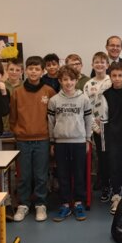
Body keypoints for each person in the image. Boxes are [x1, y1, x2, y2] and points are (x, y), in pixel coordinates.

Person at [9, 56, 56, 222]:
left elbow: (53, 117)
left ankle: (40, 204)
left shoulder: (49, 91)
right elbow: (13, 117)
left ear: (42, 71)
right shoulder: (17, 92)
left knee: (41, 174)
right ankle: (23, 204)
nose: (34, 72)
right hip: (23, 140)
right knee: (24, 175)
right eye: (30, 69)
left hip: (42, 139)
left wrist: (50, 137)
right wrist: (17, 131)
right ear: (25, 71)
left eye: (37, 69)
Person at [47, 65, 93, 222]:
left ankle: (78, 203)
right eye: (65, 79)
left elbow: (88, 120)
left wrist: (87, 139)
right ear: (60, 81)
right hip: (60, 142)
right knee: (63, 174)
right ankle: (65, 204)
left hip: (79, 141)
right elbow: (51, 122)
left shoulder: (84, 99)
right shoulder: (54, 100)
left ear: (76, 80)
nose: (68, 83)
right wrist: (52, 142)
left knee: (79, 173)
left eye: (71, 79)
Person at [98, 62, 122, 214]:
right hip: (112, 136)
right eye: (114, 75)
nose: (117, 78)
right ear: (110, 76)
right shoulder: (106, 94)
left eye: (120, 75)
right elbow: (104, 119)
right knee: (114, 166)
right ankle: (116, 196)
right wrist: (104, 142)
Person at [83, 52, 112, 202]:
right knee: (102, 158)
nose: (100, 65)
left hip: (112, 126)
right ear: (92, 65)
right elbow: (86, 108)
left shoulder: (112, 80)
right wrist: (95, 126)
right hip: (97, 127)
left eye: (102, 62)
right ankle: (105, 185)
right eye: (97, 62)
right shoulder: (88, 84)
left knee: (113, 157)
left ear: (107, 65)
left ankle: (115, 186)